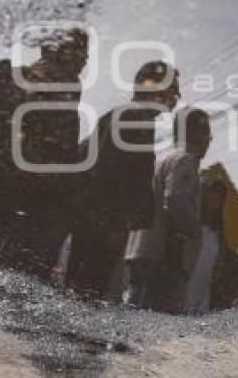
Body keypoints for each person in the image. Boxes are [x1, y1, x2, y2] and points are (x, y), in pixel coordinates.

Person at [0, 27, 87, 279]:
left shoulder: (11, 80)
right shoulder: (57, 91)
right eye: (79, 53)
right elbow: (57, 162)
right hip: (25, 207)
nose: (82, 62)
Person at [66, 61, 181, 300]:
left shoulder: (129, 115)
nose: (176, 95)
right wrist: (114, 225)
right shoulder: (133, 117)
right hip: (103, 223)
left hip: (94, 219)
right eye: (172, 88)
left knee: (81, 289)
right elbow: (110, 175)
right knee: (87, 291)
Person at [122, 107, 212, 313]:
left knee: (134, 316)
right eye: (208, 135)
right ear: (199, 133)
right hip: (164, 254)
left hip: (141, 249)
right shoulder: (186, 159)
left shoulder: (163, 158)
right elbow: (175, 199)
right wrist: (193, 230)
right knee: (157, 322)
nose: (208, 141)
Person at [185, 171, 228, 313]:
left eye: (218, 194)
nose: (216, 198)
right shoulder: (189, 227)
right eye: (211, 193)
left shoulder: (217, 232)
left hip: (203, 301)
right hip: (182, 297)